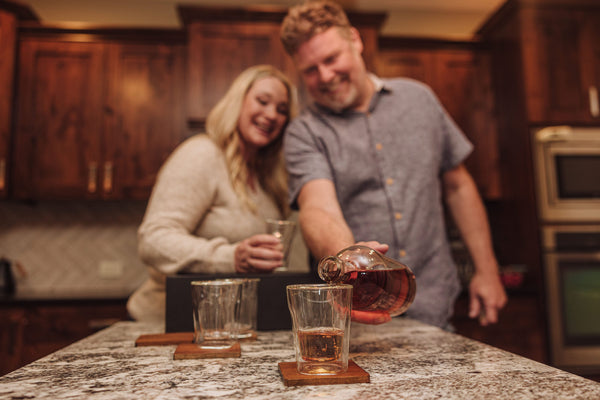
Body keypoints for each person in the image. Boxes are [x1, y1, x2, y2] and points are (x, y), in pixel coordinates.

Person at [279, 0, 507, 329]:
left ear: (355, 40)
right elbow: (318, 207)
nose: (325, 76)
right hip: (358, 317)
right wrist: (350, 263)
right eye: (311, 70)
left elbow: (458, 186)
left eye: (331, 59)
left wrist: (487, 270)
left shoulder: (420, 99)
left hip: (436, 308)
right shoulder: (305, 131)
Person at [127, 65, 298, 322]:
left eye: (282, 110)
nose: (271, 114)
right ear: (237, 102)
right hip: (164, 323)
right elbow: (153, 240)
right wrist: (231, 257)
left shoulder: (268, 178)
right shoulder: (202, 154)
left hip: (224, 325)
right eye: (262, 101)